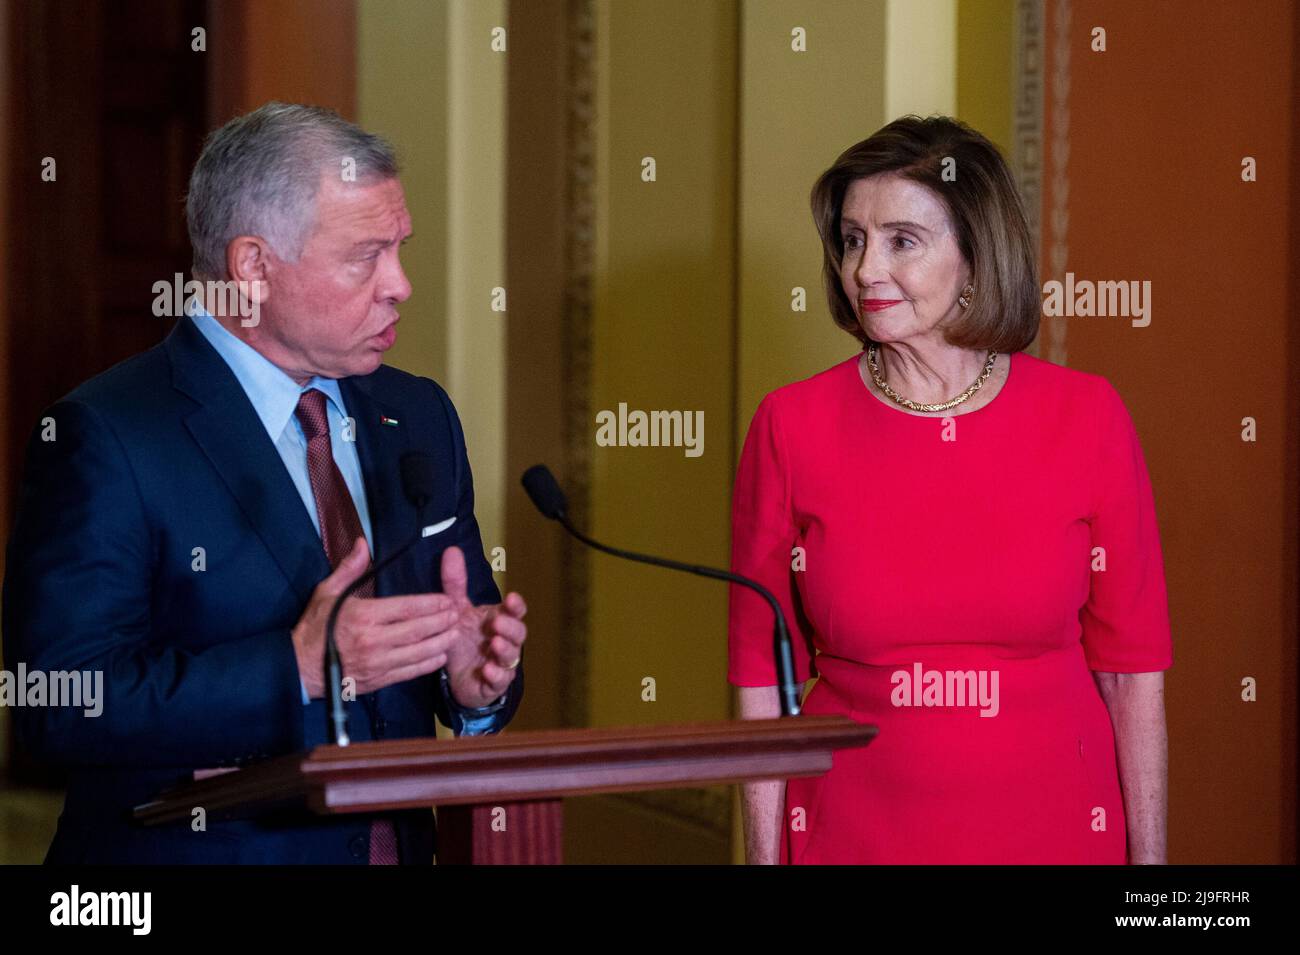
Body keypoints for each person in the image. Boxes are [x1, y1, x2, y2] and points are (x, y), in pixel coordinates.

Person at [2, 102, 526, 864]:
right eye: (366, 255)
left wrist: (476, 689)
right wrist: (297, 667)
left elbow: (460, 653)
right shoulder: (108, 435)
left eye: (401, 249)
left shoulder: (417, 417)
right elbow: (57, 703)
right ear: (253, 266)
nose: (400, 285)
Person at [729, 115, 1172, 865]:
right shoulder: (790, 426)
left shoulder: (1087, 416)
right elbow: (761, 686)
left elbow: (1133, 678)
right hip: (851, 834)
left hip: (1059, 831)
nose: (866, 268)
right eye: (851, 239)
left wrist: (1154, 878)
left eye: (902, 239)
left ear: (976, 256)